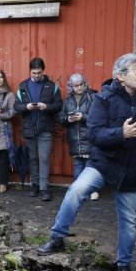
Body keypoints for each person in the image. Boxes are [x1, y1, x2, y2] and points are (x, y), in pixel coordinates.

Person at [36, 53, 136, 271]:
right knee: (76, 190)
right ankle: (58, 237)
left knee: (129, 220)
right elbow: (95, 134)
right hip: (104, 163)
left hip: (133, 169)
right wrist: (122, 134)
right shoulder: (104, 98)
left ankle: (124, 265)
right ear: (121, 76)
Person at [14, 57, 63, 201]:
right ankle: (34, 185)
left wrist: (46, 107)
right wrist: (26, 107)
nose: (36, 75)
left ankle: (44, 188)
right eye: (34, 73)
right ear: (30, 71)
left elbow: (59, 105)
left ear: (44, 70)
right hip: (29, 129)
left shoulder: (52, 86)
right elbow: (16, 107)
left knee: (44, 159)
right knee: (32, 159)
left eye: (39, 72)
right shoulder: (23, 86)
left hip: (45, 129)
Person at [58, 73, 100, 201]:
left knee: (90, 165)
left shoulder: (92, 96)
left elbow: (97, 116)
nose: (80, 88)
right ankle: (79, 190)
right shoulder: (68, 100)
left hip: (89, 137)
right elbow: (61, 118)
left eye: (81, 84)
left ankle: (92, 190)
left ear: (85, 84)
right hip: (75, 138)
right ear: (71, 87)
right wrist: (68, 119)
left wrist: (83, 117)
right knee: (78, 165)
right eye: (76, 85)